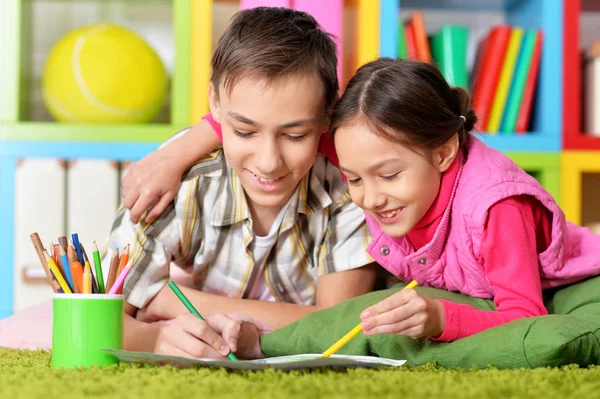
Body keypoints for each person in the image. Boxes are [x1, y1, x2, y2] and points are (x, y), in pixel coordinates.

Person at [123, 57, 600, 349]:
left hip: (554, 282)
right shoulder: (360, 147)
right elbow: (263, 121)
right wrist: (172, 155)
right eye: (353, 178)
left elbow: (525, 319)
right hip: (460, 281)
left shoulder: (498, 211)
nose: (370, 198)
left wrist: (440, 318)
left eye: (389, 176)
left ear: (444, 152)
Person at [111, 6, 378, 360]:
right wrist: (153, 340)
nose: (268, 161)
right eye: (244, 131)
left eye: (295, 135)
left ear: (327, 116)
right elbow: (101, 313)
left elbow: (340, 325)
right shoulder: (180, 182)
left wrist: (177, 301)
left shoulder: (350, 189)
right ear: (215, 106)